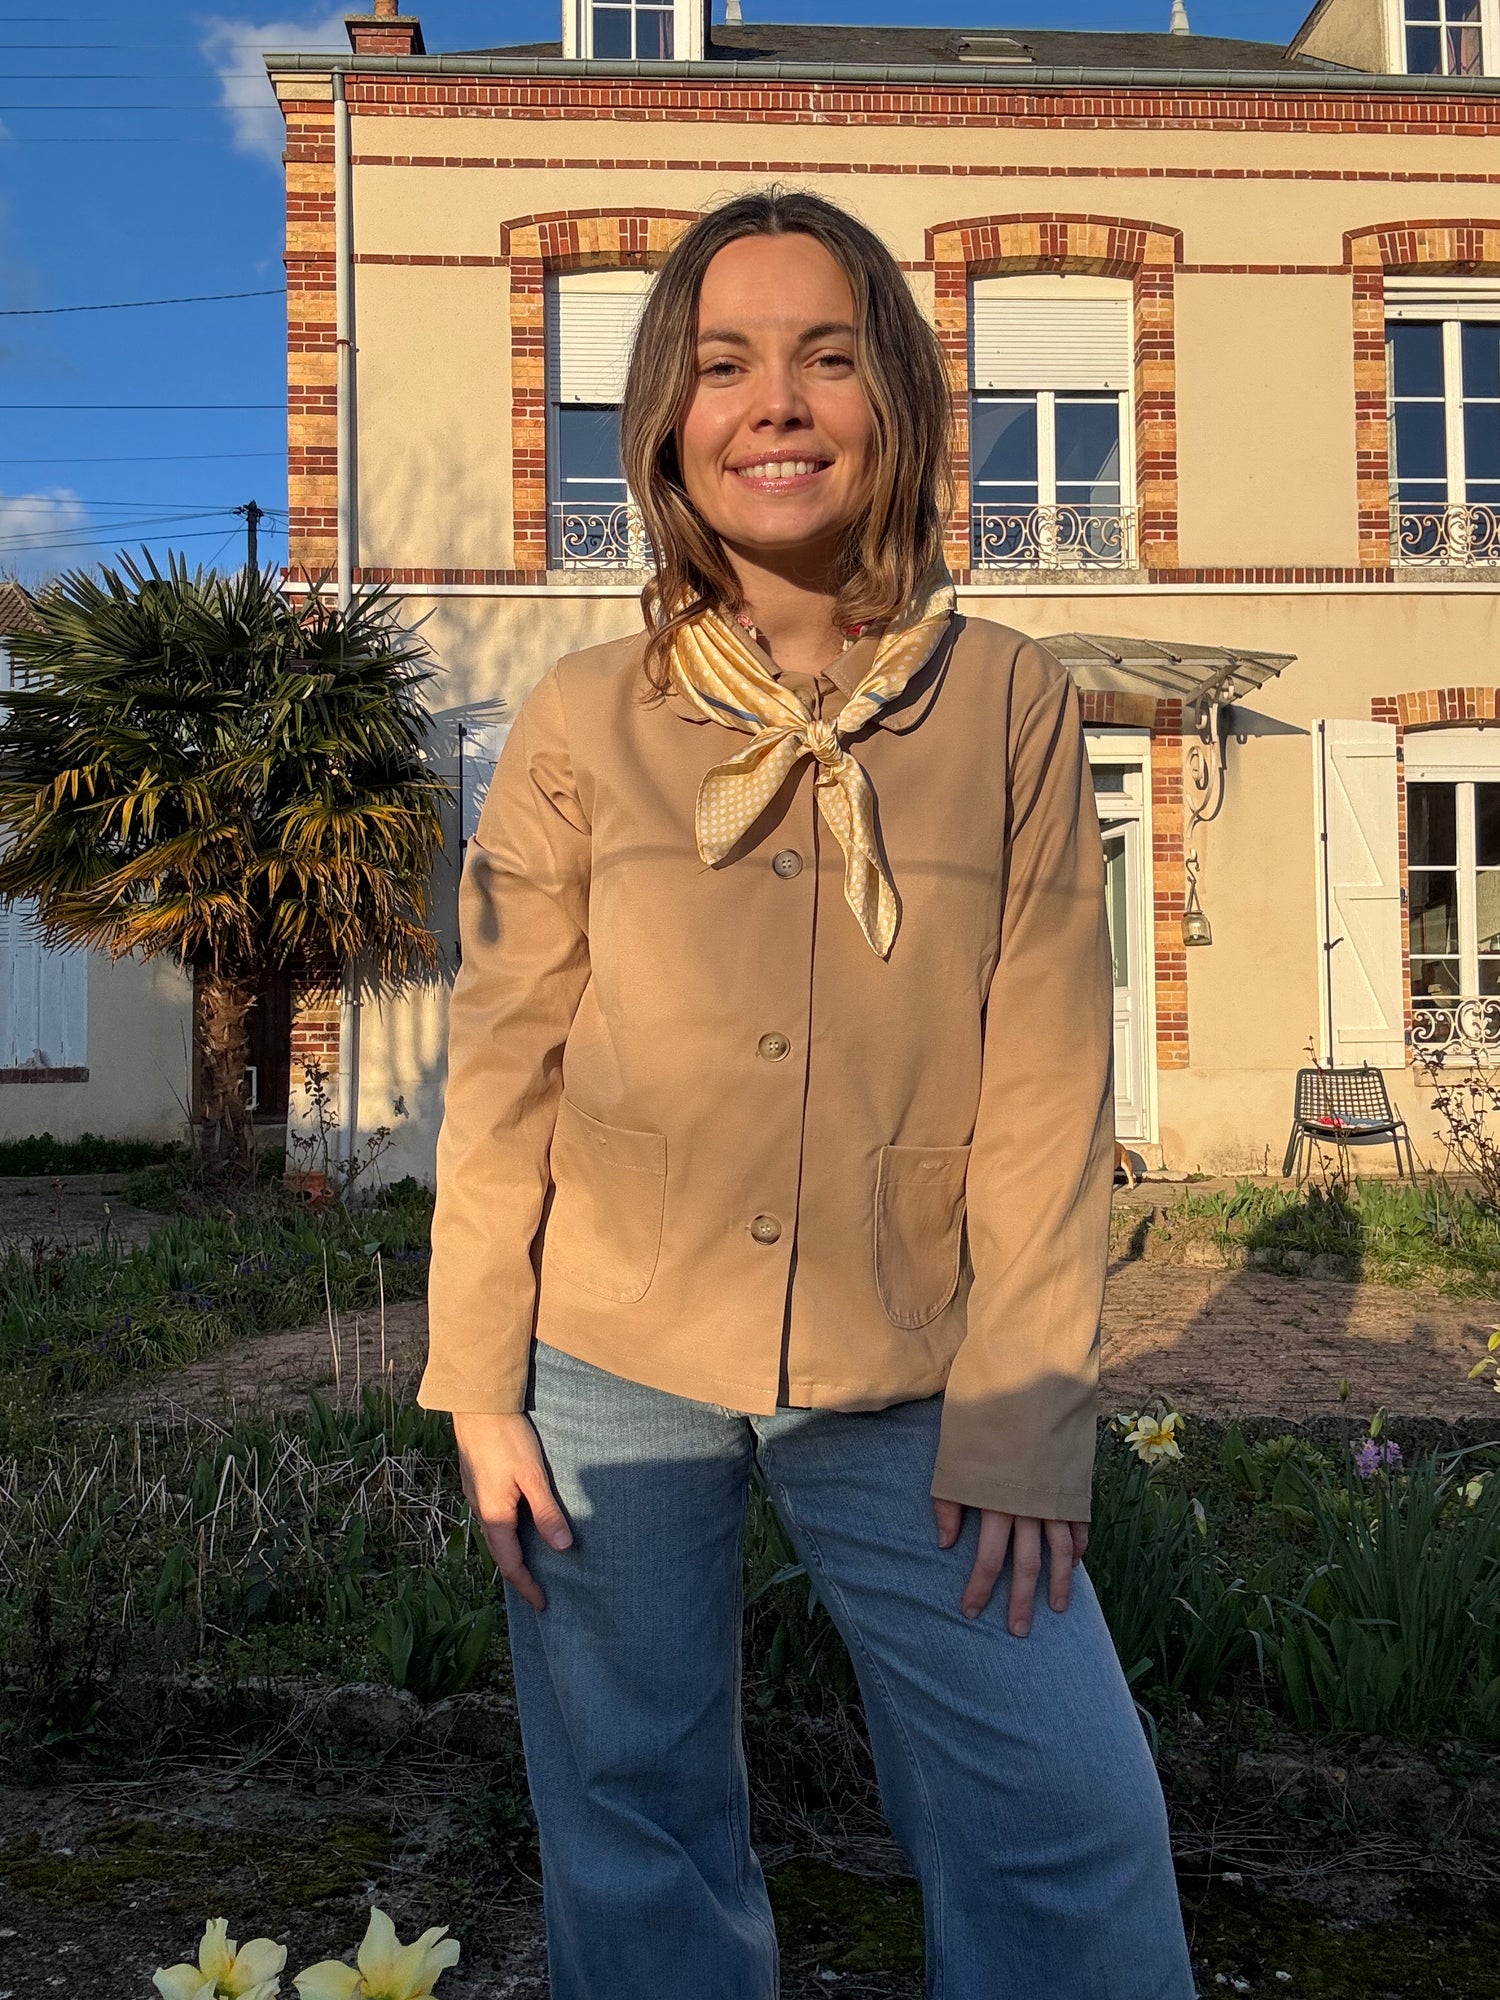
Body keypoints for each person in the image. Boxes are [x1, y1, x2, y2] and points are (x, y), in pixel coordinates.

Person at [420, 187, 1196, 2000]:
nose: (775, 400)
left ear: (898, 401)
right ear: (666, 423)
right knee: (633, 1808)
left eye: (827, 357)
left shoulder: (1006, 702)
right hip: (605, 1356)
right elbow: (506, 1060)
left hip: (916, 1359)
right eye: (724, 364)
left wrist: (1028, 1414)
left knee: (1062, 1811)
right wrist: (478, 1382)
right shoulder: (579, 715)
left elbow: (1048, 1081)